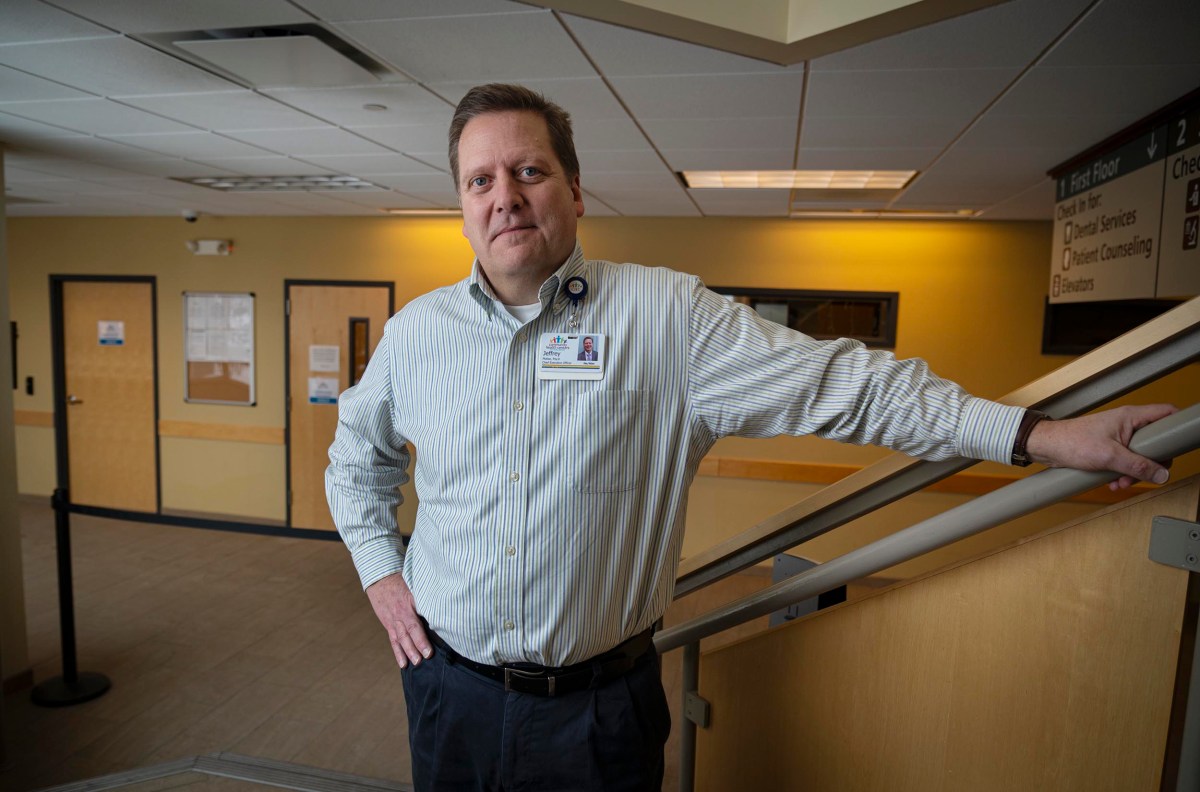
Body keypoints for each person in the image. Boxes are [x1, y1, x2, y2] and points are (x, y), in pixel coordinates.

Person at [326, 83, 1174, 791]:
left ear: (576, 192)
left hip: (597, 713)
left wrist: (1040, 434)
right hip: (448, 693)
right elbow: (354, 462)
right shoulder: (417, 336)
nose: (504, 194)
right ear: (462, 206)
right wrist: (381, 575)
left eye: (529, 170)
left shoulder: (666, 318)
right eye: (480, 180)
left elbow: (846, 386)